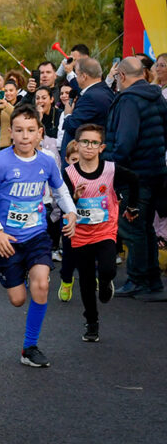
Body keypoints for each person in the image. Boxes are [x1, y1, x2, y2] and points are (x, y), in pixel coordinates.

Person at [0, 104, 78, 368]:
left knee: (41, 285)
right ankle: (13, 271)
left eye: (31, 130)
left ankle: (30, 347)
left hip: (36, 235)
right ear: (10, 132)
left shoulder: (47, 161)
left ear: (40, 133)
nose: (25, 136)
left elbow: (60, 190)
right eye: (19, 130)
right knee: (18, 299)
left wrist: (72, 213)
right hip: (6, 241)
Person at [61, 124, 139, 342]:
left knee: (107, 268)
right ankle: (92, 323)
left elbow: (134, 180)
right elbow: (63, 201)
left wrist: (132, 207)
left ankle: (105, 282)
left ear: (101, 147)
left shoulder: (111, 170)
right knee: (85, 280)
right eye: (85, 142)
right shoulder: (68, 173)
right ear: (76, 144)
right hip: (81, 233)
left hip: (105, 230)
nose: (89, 147)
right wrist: (74, 198)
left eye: (94, 143)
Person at [104, 56, 167, 298]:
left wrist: (107, 159)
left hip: (133, 175)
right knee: (145, 227)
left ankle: (138, 280)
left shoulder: (129, 100)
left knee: (132, 227)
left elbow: (125, 143)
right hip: (155, 172)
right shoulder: (156, 96)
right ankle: (152, 280)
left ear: (121, 76)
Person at [60, 57, 114, 160]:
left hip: (84, 158)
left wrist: (67, 114)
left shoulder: (91, 97)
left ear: (84, 76)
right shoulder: (105, 91)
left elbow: (72, 125)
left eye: (77, 74)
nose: (76, 78)